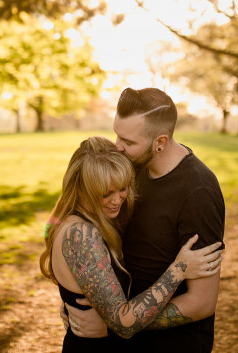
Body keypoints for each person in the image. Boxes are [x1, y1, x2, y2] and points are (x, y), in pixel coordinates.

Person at [67, 87, 227, 352]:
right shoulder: (130, 168)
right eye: (117, 134)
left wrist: (116, 325)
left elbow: (202, 302)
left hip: (173, 345)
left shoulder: (198, 191)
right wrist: (72, 296)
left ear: (160, 142)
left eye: (128, 141)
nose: (117, 146)